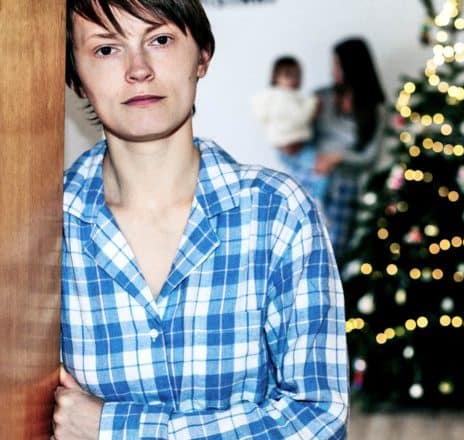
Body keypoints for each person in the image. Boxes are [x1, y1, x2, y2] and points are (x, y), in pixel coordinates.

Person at [56, 1, 348, 438]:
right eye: (106, 50)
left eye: (160, 40)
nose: (138, 69)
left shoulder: (278, 213)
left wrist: (113, 428)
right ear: (76, 78)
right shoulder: (45, 225)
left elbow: (318, 419)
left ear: (203, 56)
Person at [313, 38, 387, 261]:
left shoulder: (375, 109)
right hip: (313, 177)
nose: (333, 70)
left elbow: (369, 157)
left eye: (338, 64)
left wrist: (338, 158)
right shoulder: (322, 97)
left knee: (334, 253)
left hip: (346, 185)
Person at [251, 56, 328, 202]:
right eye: (288, 75)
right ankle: (316, 201)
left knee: (299, 179)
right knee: (322, 174)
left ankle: (311, 199)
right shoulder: (282, 98)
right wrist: (313, 105)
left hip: (288, 148)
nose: (294, 80)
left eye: (298, 75)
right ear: (275, 77)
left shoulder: (277, 98)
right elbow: (300, 117)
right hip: (295, 148)